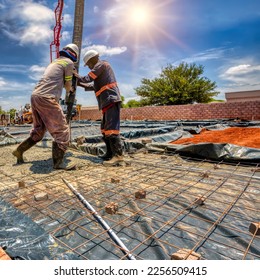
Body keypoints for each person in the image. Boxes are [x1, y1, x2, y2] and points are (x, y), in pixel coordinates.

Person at [12, 43, 79, 170]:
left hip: (35, 96)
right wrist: (71, 89)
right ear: (74, 55)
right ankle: (58, 163)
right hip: (47, 98)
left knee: (39, 131)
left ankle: (19, 150)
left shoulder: (54, 63)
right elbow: (67, 85)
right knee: (62, 129)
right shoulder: (69, 63)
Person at [73, 50, 124, 166]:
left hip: (111, 99)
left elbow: (88, 78)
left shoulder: (101, 64)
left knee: (111, 129)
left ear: (92, 59)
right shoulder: (100, 72)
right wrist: (79, 83)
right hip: (106, 102)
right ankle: (110, 154)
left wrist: (76, 76)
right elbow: (92, 86)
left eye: (88, 64)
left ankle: (118, 156)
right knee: (105, 129)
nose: (89, 67)